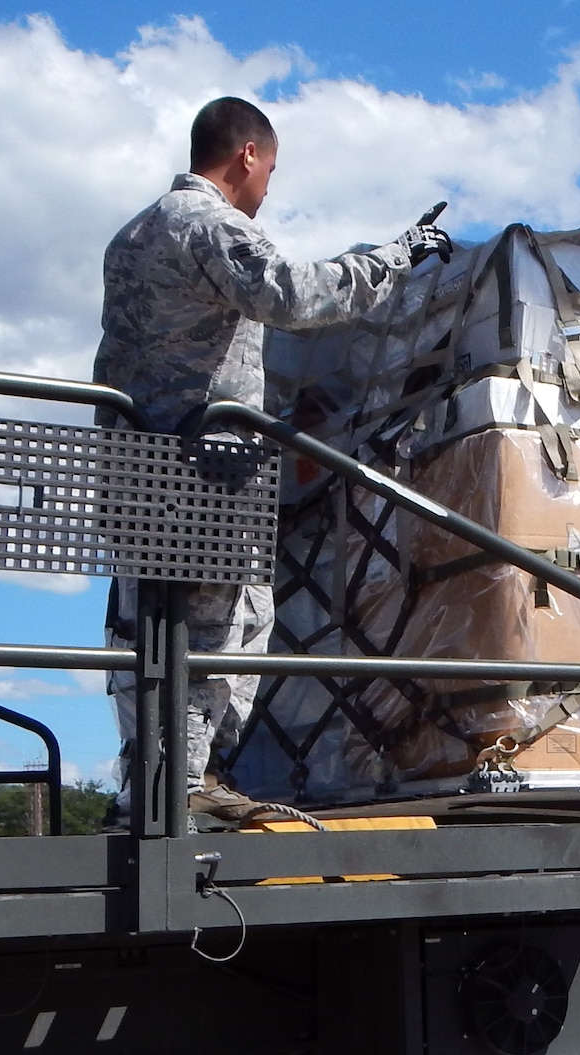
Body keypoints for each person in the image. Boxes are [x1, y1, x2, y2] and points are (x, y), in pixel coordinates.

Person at [98, 96, 451, 824]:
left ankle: (152, 781)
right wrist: (397, 256)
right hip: (200, 473)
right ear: (247, 156)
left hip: (134, 469)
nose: (269, 190)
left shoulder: (130, 235)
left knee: (146, 630)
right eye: (272, 170)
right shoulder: (209, 224)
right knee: (227, 622)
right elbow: (291, 294)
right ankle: (185, 783)